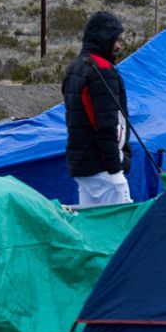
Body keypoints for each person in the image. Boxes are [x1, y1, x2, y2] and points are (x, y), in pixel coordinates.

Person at [62, 11, 132, 206]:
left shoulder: (75, 67)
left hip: (83, 166)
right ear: (104, 38)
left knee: (93, 226)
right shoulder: (101, 70)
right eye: (115, 39)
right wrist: (116, 170)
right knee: (118, 228)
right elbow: (107, 125)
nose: (118, 46)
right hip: (104, 169)